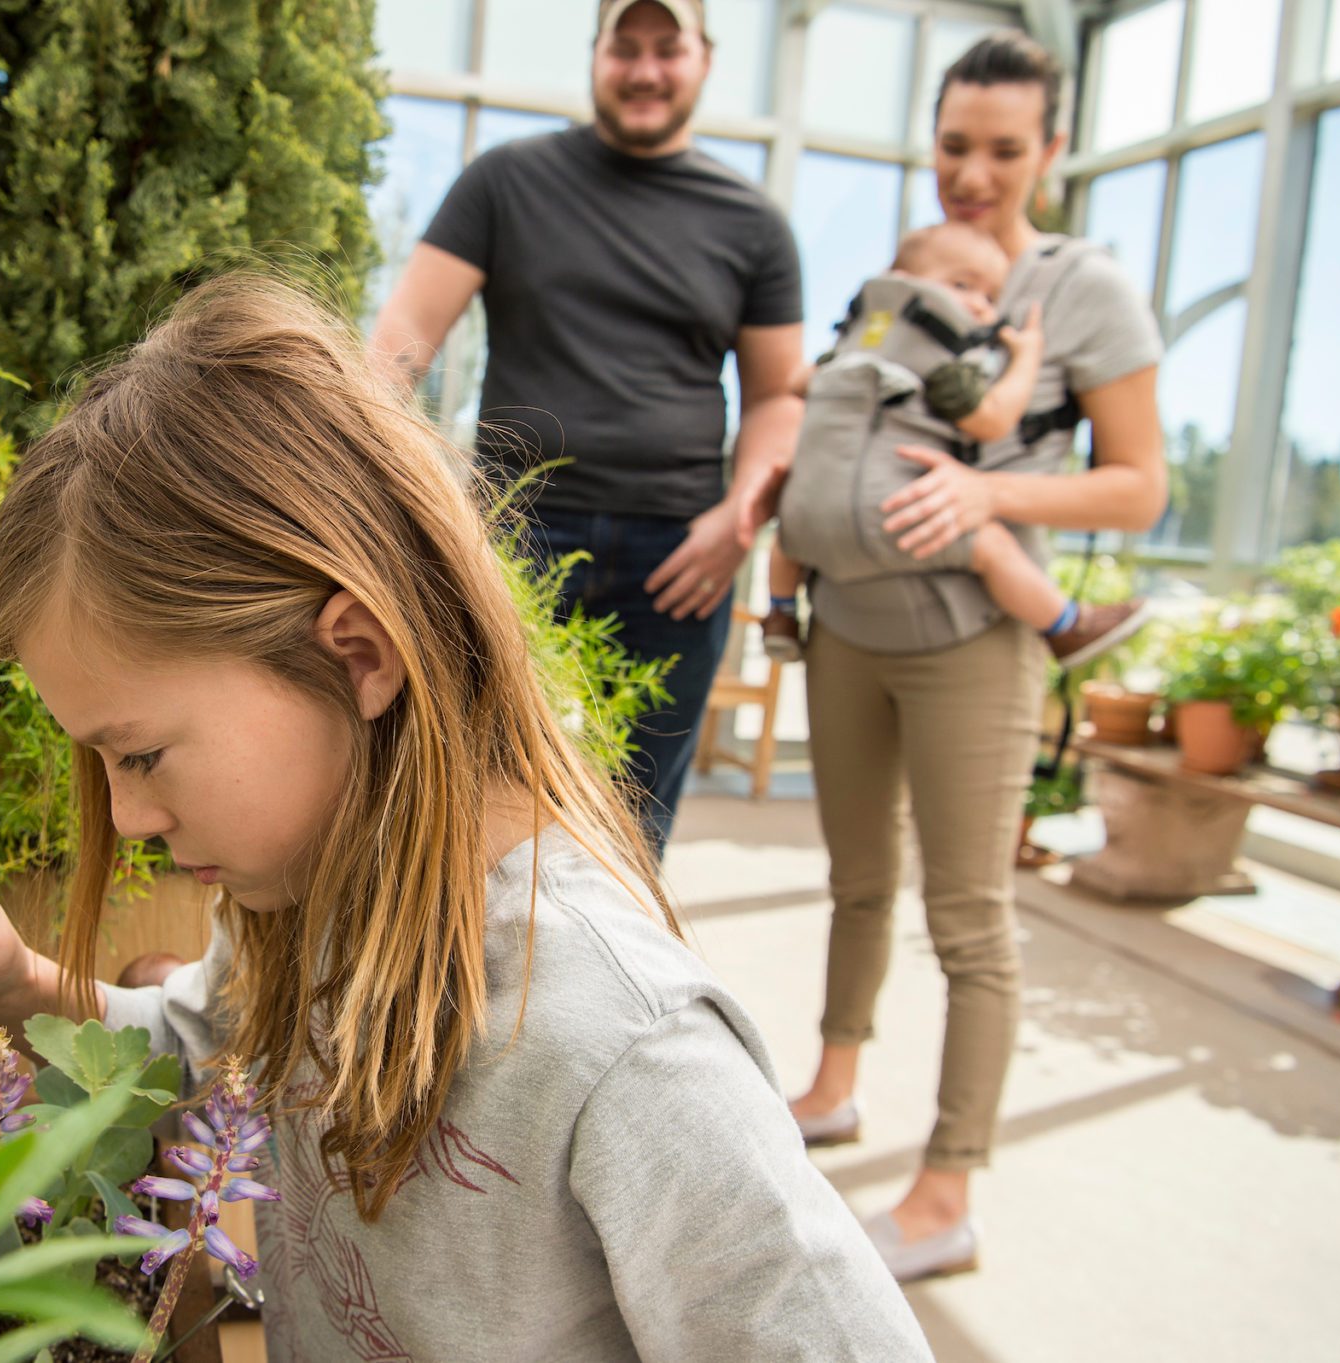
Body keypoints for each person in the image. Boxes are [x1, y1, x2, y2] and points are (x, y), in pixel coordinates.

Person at [0, 276, 932, 1361]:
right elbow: (206, 1049)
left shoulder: (623, 1050)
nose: (127, 815)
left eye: (138, 752)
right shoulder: (308, 894)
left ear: (356, 653)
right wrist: (19, 987)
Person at [780, 31, 1169, 1283]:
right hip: (849, 621)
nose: (973, 174)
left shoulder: (1083, 288)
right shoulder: (908, 273)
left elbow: (1137, 488)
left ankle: (945, 1192)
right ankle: (832, 1084)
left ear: (1049, 153)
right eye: (954, 145)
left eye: (1004, 151)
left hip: (969, 644)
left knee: (967, 918)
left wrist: (989, 502)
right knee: (850, 879)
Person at [369, 0, 804, 852]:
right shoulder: (504, 183)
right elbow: (395, 351)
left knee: (633, 832)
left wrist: (739, 518)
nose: (645, 69)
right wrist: (418, 504)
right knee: (474, 808)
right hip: (511, 542)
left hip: (680, 563)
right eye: (625, 47)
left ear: (704, 59)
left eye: (667, 49)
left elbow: (779, 398)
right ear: (595, 56)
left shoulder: (753, 225)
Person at [761, 221, 1148, 668]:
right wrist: (1026, 358)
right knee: (994, 549)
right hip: (893, 514)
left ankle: (781, 615)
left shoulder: (843, 352)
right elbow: (994, 419)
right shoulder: (941, 362)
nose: (980, 308)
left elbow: (796, 382)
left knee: (789, 535)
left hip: (810, 521)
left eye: (989, 298)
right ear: (901, 284)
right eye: (964, 286)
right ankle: (1065, 626)